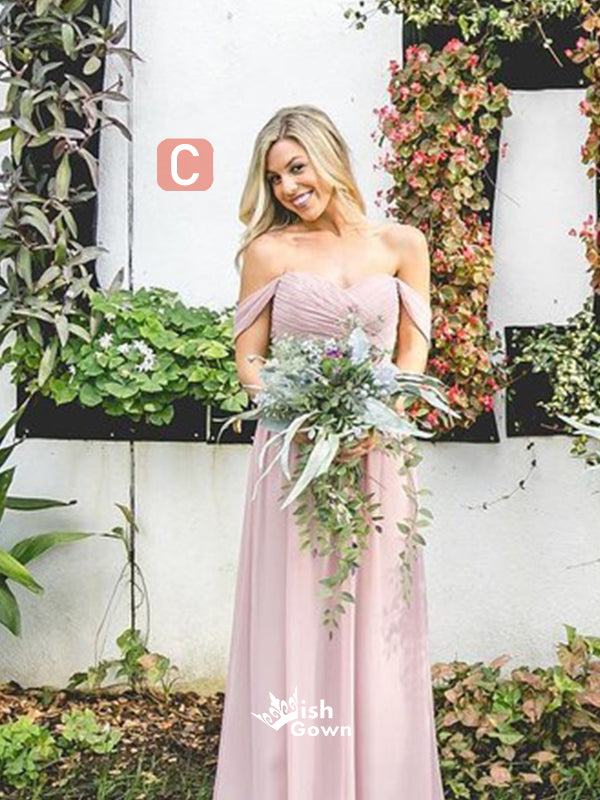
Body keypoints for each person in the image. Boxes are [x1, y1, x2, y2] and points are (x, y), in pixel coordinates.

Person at [213, 104, 444, 799]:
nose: (288, 187)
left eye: (296, 167)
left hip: (378, 455)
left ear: (330, 157)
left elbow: (413, 348)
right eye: (274, 178)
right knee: (296, 616)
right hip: (294, 458)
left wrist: (383, 416)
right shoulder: (269, 252)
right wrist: (301, 420)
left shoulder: (402, 244)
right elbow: (249, 359)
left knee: (376, 619)